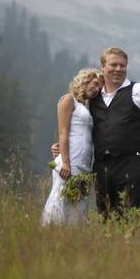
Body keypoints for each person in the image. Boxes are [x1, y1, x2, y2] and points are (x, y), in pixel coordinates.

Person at [52, 46, 140, 219]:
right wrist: (61, 148)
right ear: (103, 67)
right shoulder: (93, 99)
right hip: (101, 168)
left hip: (131, 164)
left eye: (122, 65)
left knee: (132, 218)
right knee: (105, 217)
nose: (118, 69)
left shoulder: (139, 91)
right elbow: (79, 127)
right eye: (113, 65)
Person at [41, 68, 102, 226]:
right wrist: (66, 162)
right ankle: (52, 232)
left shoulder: (86, 107)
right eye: (95, 84)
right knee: (62, 196)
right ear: (85, 80)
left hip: (84, 162)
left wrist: (58, 146)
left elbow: (79, 133)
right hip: (70, 162)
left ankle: (72, 238)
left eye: (99, 88)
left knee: (78, 202)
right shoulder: (68, 100)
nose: (96, 89)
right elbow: (63, 132)